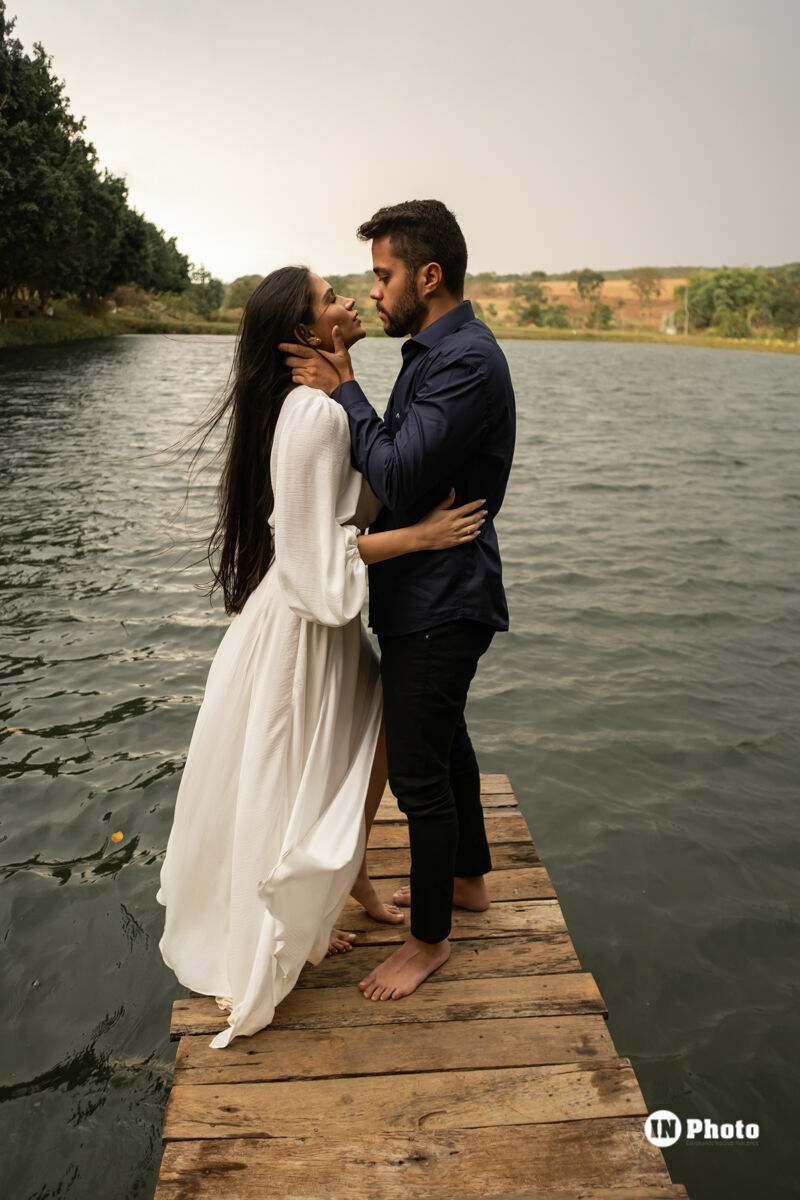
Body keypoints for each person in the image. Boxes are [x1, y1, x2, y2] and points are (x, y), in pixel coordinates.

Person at [156, 265, 486, 1048]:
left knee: (344, 756)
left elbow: (349, 502)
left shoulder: (328, 404)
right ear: (311, 334)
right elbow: (309, 558)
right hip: (302, 628)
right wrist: (422, 537)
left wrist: (348, 387)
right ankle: (289, 922)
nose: (352, 300)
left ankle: (346, 889)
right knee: (293, 771)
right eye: (333, 298)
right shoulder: (312, 415)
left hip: (322, 625)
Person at [281, 199, 516, 1001]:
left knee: (416, 774)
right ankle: (469, 882)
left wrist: (345, 386)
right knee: (444, 742)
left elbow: (399, 475)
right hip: (429, 589)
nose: (373, 290)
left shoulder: (466, 362)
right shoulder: (430, 352)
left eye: (383, 275)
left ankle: (429, 942)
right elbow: (397, 459)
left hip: (443, 594)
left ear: (428, 275)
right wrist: (358, 393)